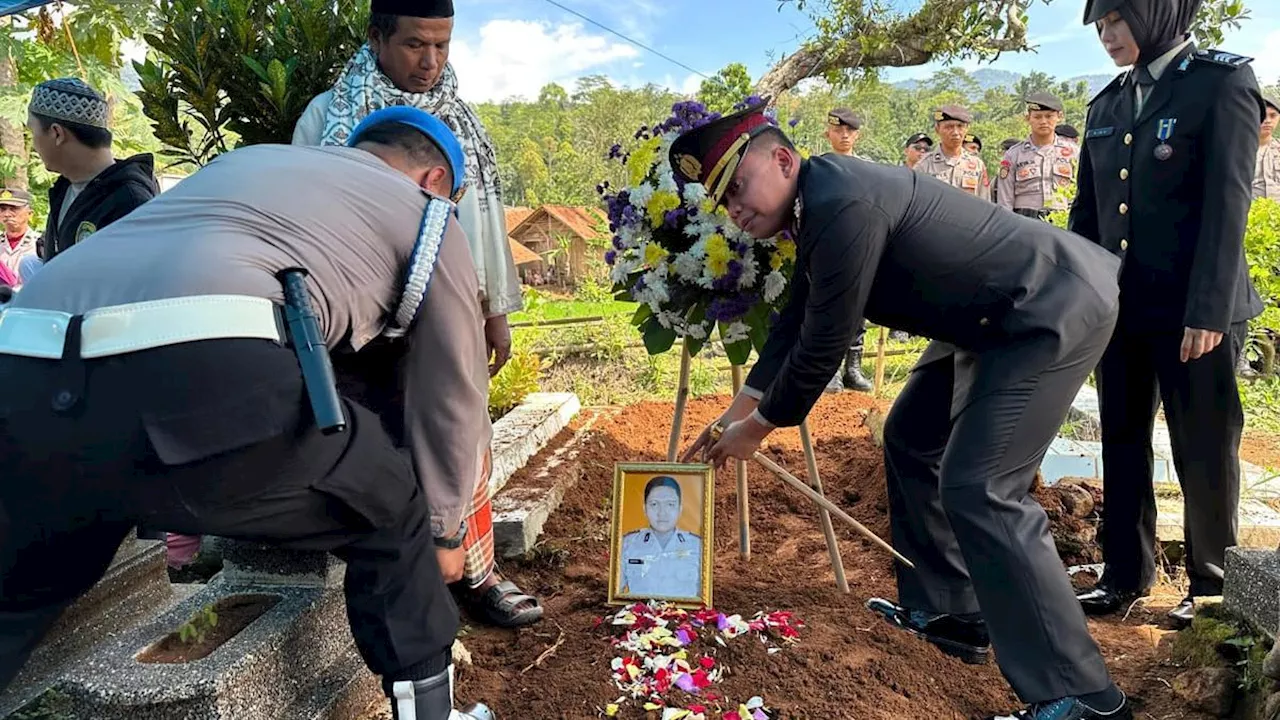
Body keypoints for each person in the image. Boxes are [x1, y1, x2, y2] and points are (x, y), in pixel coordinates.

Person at [0, 107, 495, 720]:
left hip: (22, 364)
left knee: (24, 587)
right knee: (388, 504)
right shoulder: (426, 213)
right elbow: (453, 381)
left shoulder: (250, 162)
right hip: (198, 364)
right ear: (435, 181)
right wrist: (445, 527)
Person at [674, 102, 1130, 720]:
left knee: (982, 488)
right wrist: (739, 408)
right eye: (723, 202)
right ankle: (952, 612)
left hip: (1043, 307)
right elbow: (795, 321)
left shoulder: (841, 201)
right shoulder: (821, 203)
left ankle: (1081, 695)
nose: (734, 210)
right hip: (983, 319)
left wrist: (757, 429)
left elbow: (824, 343)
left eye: (738, 188)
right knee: (911, 437)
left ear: (782, 159)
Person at [292, 0, 541, 628]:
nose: (429, 62)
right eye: (413, 45)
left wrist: (494, 313)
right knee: (378, 442)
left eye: (442, 45)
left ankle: (475, 571)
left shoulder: (462, 119)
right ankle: (399, 587)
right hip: (358, 320)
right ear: (376, 38)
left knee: (463, 431)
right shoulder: (328, 117)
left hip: (445, 307)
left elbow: (482, 221)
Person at [1069, 0, 1264, 629]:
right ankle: (1124, 574)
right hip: (1122, 312)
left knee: (1202, 446)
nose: (1108, 36)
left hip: (1196, 313)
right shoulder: (1105, 106)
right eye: (1099, 26)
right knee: (1122, 441)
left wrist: (1207, 309)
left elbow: (1228, 204)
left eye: (1118, 20)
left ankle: (1210, 584)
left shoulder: (1221, 83)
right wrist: (1080, 301)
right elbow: (1087, 217)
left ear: (1157, 14)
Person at [26, 78, 158, 263]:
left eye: (32, 132)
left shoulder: (131, 203)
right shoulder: (64, 189)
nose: (33, 144)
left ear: (57, 133)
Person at [821, 108, 873, 392]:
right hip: (828, 247)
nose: (844, 135)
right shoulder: (818, 166)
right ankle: (830, 371)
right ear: (827, 132)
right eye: (838, 130)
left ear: (857, 135)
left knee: (858, 307)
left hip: (861, 245)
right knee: (829, 307)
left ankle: (852, 369)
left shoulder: (868, 168)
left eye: (850, 131)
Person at [997, 93, 1080, 220]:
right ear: (1027, 118)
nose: (1043, 122)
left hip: (1062, 218)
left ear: (1059, 116)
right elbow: (1005, 199)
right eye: (1037, 117)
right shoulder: (1013, 154)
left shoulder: (1073, 152)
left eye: (1049, 116)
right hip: (1025, 219)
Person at [618, 476, 704, 599]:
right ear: (644, 509)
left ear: (680, 509)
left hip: (685, 616)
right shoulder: (627, 544)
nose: (662, 513)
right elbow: (617, 594)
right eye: (654, 504)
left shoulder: (698, 546)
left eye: (670, 504)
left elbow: (703, 596)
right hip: (641, 616)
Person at [914, 105, 991, 200]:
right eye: (949, 127)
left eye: (960, 126)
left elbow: (985, 203)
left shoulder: (977, 165)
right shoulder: (924, 165)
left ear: (967, 129)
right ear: (937, 129)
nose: (955, 132)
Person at [0, 189, 39, 286]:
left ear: (29, 214)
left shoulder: (40, 243)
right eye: (3, 209)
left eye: (13, 209)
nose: (7, 214)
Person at [1255, 93, 1279, 201]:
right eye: (1262, 115)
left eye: (1273, 116)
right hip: (1248, 214)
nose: (1267, 120)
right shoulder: (1237, 152)